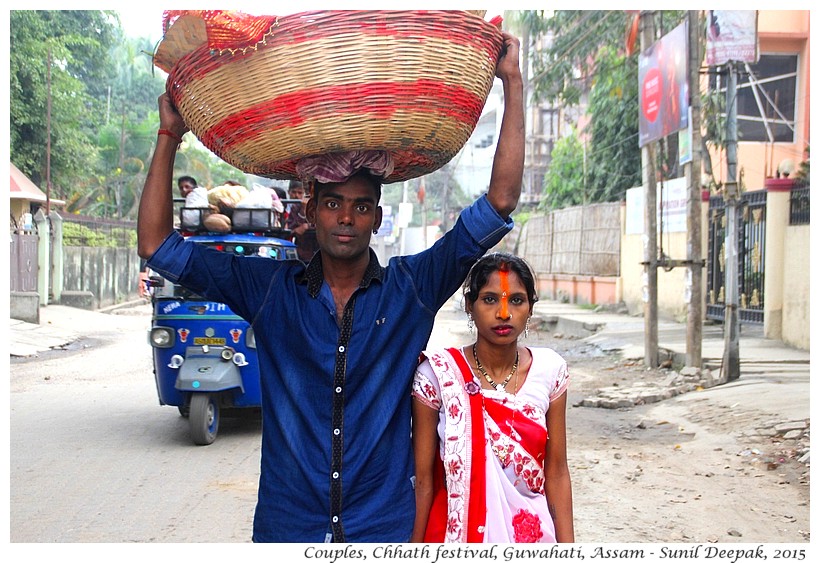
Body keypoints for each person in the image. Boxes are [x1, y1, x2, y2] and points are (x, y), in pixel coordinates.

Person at [137, 31, 524, 543]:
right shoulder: (269, 291)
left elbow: (499, 203)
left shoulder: (411, 289)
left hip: (382, 526)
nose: (346, 217)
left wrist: (512, 82)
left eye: (361, 205)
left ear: (377, 218)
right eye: (333, 203)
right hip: (287, 524)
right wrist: (168, 135)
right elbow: (157, 244)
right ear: (311, 211)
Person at [411, 253, 574, 543]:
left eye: (516, 300)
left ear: (531, 308)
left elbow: (557, 471)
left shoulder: (550, 371)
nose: (503, 313)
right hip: (457, 538)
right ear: (470, 307)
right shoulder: (438, 376)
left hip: (532, 538)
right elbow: (423, 480)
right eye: (489, 299)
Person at [284, 179, 319, 262]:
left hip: (312, 249)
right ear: (288, 192)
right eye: (294, 192)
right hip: (295, 250)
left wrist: (307, 226)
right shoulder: (287, 206)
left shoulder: (312, 206)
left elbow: (318, 223)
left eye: (300, 193)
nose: (296, 195)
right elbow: (291, 228)